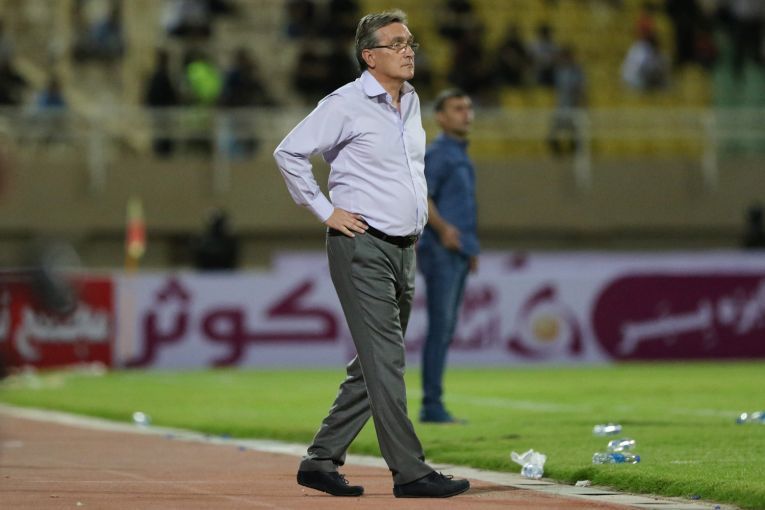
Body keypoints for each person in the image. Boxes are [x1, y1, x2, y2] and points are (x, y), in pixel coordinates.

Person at [274, 9, 470, 499]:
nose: (408, 51)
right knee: (387, 361)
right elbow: (289, 152)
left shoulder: (412, 101)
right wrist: (325, 210)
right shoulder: (344, 104)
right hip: (362, 246)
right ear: (369, 56)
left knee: (372, 367)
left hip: (404, 249)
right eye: (396, 43)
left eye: (410, 43)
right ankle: (410, 472)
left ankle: (321, 459)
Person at [416, 89, 479, 424]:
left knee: (446, 327)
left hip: (457, 250)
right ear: (440, 117)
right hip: (441, 249)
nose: (466, 114)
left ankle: (433, 402)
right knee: (441, 328)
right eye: (457, 108)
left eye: (467, 108)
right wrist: (443, 230)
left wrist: (471, 248)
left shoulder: (459, 154)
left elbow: (463, 207)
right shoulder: (439, 154)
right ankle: (431, 405)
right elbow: (422, 196)